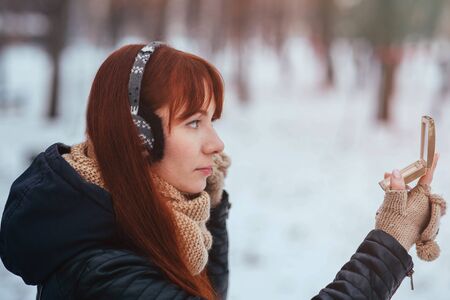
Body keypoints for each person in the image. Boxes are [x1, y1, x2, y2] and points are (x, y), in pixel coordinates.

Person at [0, 42, 446, 300]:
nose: (216, 143)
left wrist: (210, 209)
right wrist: (391, 240)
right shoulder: (103, 273)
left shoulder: (123, 220)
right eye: (194, 122)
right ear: (139, 138)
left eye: (212, 120)